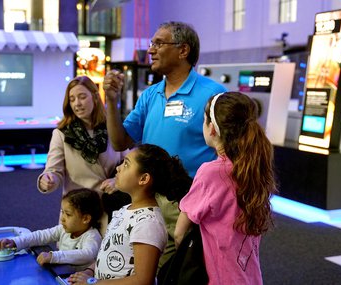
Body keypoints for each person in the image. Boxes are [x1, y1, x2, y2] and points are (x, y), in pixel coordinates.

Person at [103, 21, 227, 265]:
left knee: (181, 269)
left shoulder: (213, 94)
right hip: (146, 199)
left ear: (183, 50)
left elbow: (233, 150)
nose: (150, 50)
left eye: (159, 43)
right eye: (152, 44)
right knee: (144, 268)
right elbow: (119, 142)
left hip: (189, 202)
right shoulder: (151, 94)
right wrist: (111, 101)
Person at [174, 92, 277, 284]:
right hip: (250, 276)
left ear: (212, 129)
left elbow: (180, 232)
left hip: (220, 278)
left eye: (204, 120)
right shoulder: (254, 167)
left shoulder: (211, 173)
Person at [67, 144, 193, 285]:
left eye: (126, 164)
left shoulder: (148, 223)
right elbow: (110, 252)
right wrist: (90, 271)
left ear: (143, 179)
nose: (118, 168)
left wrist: (92, 282)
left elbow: (143, 280)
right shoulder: (124, 210)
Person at [37, 76, 129, 226]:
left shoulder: (112, 129)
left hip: (111, 210)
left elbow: (129, 164)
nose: (77, 104)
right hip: (77, 215)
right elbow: (54, 171)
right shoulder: (61, 134)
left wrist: (117, 181)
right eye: (72, 99)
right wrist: (47, 179)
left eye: (82, 97)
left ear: (95, 97)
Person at [0, 188, 103, 272]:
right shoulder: (63, 229)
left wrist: (54, 256)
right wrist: (15, 242)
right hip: (60, 274)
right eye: (62, 212)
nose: (62, 218)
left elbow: (86, 254)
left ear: (86, 219)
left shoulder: (92, 236)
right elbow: (40, 236)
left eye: (68, 214)